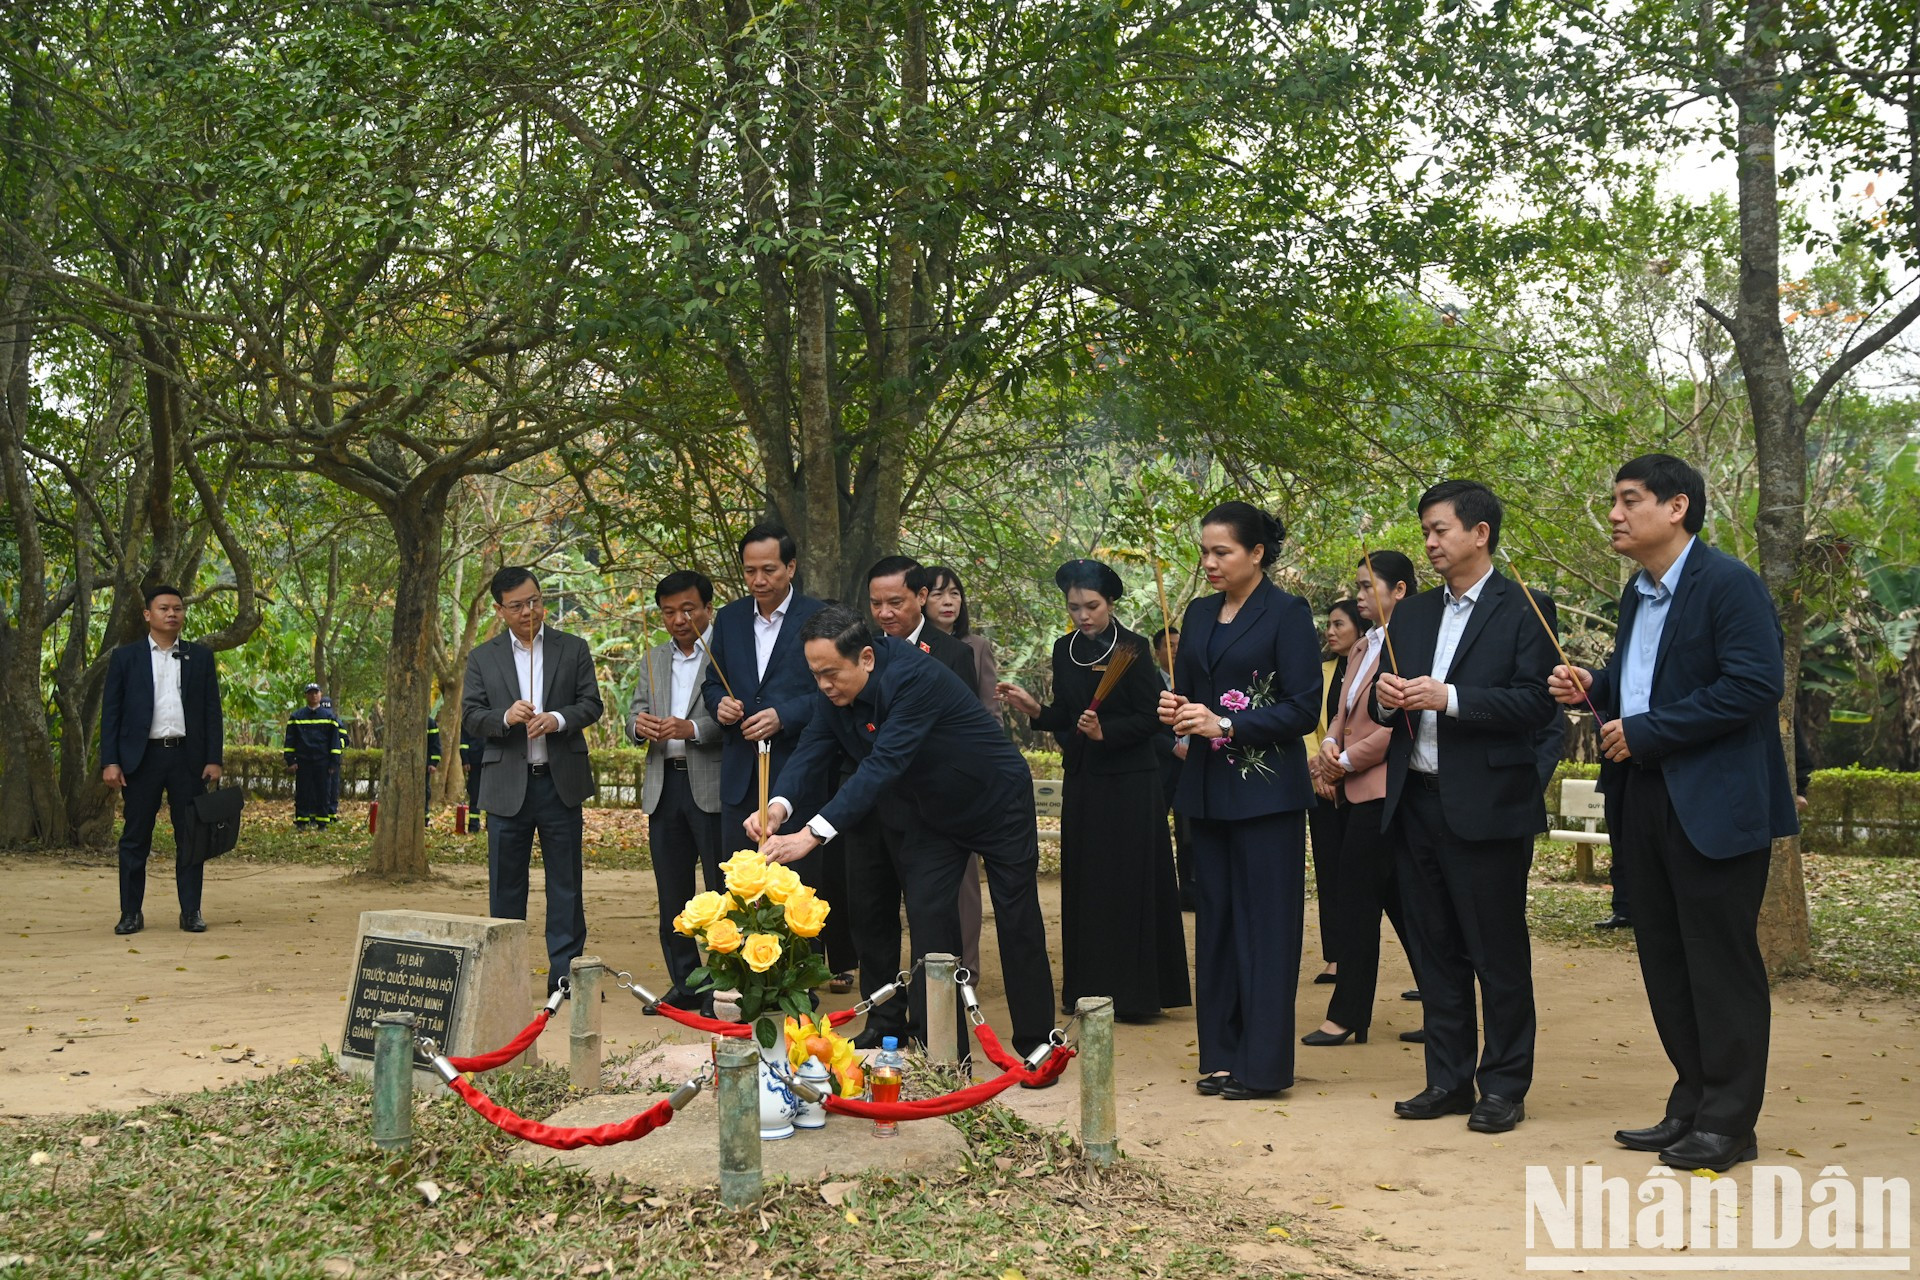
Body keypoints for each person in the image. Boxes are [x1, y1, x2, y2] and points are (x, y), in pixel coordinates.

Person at [1550, 454, 1797, 1172]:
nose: (1616, 515)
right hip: (1644, 797)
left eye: (1630, 501)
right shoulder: (1637, 593)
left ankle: (1730, 1122)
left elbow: (1755, 684)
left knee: (1720, 964)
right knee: (1665, 958)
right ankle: (1691, 1103)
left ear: (1677, 507)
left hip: (1714, 805)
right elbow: (1647, 681)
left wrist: (1650, 729)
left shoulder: (1729, 584)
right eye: (1615, 501)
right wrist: (1592, 683)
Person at [751, 605, 1058, 1065]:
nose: (824, 685)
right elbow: (814, 747)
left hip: (994, 800)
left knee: (1017, 918)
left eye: (831, 673)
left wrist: (812, 835)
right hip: (929, 812)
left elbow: (883, 764)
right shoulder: (832, 692)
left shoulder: (914, 676)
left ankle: (1037, 1044)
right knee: (931, 921)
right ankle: (946, 1052)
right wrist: (778, 807)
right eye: (816, 675)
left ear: (867, 659)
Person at [1370, 479, 1559, 1135]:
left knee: (1496, 953)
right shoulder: (1414, 613)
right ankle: (1447, 1079)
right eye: (1424, 531)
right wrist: (1388, 699)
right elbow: (1379, 703)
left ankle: (1504, 1085)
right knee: (1434, 952)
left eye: (1440, 530)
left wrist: (1447, 698)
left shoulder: (1526, 609)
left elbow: (1537, 703)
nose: (1429, 543)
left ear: (1480, 533)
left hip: (1487, 806)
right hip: (1414, 802)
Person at [1157, 503, 1322, 1100]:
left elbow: (1303, 708)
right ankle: (1221, 1055)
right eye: (1204, 551)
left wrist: (1226, 725)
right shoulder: (1198, 616)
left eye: (1221, 551)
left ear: (1256, 553)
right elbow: (1193, 694)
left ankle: (1265, 1066)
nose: (1208, 563)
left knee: (1267, 929)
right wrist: (1178, 711)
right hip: (1206, 791)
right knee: (1218, 927)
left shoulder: (1288, 614)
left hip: (1267, 794)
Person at [999, 559, 1190, 1021]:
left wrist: (1109, 732)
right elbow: (1066, 715)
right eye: (1074, 607)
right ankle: (1088, 989)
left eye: (1092, 606)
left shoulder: (1136, 648)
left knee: (1129, 882)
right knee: (1087, 882)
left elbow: (1153, 718)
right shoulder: (1064, 649)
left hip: (1132, 783)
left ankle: (1137, 995)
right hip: (1086, 781)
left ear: (1110, 604)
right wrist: (1035, 710)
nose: (1083, 615)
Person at [845, 556, 983, 1043]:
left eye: (895, 602)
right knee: (870, 917)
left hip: (926, 815)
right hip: (868, 812)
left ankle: (932, 1025)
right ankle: (882, 1019)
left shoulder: (949, 653)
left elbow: (961, 739)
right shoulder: (860, 650)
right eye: (876, 603)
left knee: (930, 923)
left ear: (921, 597)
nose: (884, 613)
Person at [462, 566, 605, 995]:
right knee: (506, 888)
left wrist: (558, 719)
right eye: (518, 605)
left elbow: (591, 704)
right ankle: (505, 979)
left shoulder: (573, 648)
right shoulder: (482, 658)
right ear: (500, 610)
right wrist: (505, 718)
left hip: (559, 784)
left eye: (535, 601)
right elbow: (470, 716)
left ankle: (565, 979)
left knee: (566, 886)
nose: (530, 612)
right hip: (507, 788)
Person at [1305, 554, 1423, 1048]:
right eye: (1355, 585)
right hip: (1353, 787)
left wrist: (1346, 761)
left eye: (1365, 585)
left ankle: (1348, 1012)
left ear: (1397, 589)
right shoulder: (1364, 645)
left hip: (1384, 792)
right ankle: (1443, 1003)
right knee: (1402, 903)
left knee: (1356, 902)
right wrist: (1331, 747)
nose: (1356, 595)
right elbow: (1342, 711)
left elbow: (1399, 729)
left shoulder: (1411, 644)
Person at [99, 584, 225, 935]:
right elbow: (111, 714)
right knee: (135, 837)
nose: (172, 614)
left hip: (188, 759)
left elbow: (212, 712)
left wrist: (214, 758)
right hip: (142, 760)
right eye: (164, 608)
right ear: (148, 615)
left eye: (178, 609)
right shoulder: (126, 658)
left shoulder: (199, 657)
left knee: (191, 838)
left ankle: (191, 912)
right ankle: (130, 913)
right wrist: (110, 761)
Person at [626, 570, 724, 1016]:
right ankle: (685, 985)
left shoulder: (726, 653)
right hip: (664, 787)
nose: (679, 620)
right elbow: (635, 712)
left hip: (714, 787)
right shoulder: (653, 657)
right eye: (669, 612)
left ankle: (724, 988)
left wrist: (694, 728)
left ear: (707, 607)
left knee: (721, 893)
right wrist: (639, 726)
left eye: (688, 609)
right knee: (673, 895)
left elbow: (737, 716)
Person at [702, 524, 826, 853]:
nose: (759, 580)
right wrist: (720, 706)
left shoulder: (819, 617)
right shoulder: (729, 618)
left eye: (769, 570)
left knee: (796, 892)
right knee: (739, 886)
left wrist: (784, 715)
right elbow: (713, 683)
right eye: (750, 571)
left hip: (796, 771)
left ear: (791, 567)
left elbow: (834, 692)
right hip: (740, 778)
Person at [1306, 600, 1365, 984]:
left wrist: (1344, 767)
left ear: (1359, 629)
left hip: (1361, 782)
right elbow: (1308, 726)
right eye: (1328, 624)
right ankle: (1335, 957)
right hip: (1321, 785)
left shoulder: (1373, 667)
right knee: (1328, 869)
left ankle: (1358, 954)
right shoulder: (1320, 672)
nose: (1330, 631)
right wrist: (1319, 771)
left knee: (1358, 873)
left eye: (1338, 624)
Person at [1149, 626, 1195, 910]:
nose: (1176, 649)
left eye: (1180, 643)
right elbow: (1144, 727)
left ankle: (1189, 893)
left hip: (1191, 768)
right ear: (1157, 652)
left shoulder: (1194, 682)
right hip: (1160, 767)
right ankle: (1156, 893)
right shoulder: (1149, 684)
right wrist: (1173, 748)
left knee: (1189, 834)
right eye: (1169, 645)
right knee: (1154, 830)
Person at [925, 565, 999, 713]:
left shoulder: (979, 646)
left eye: (954, 593)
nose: (948, 602)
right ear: (921, 599)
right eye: (938, 594)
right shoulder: (908, 643)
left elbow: (990, 709)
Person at [283, 683, 340, 830]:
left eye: (316, 693)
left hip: (323, 761)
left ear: (320, 695)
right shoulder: (296, 717)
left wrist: (334, 763)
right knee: (303, 791)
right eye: (310, 693)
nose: (313, 695)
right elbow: (290, 740)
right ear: (306, 696)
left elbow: (334, 742)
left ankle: (322, 823)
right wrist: (290, 760)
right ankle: (301, 821)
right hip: (304, 761)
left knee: (323, 792)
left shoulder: (329, 717)